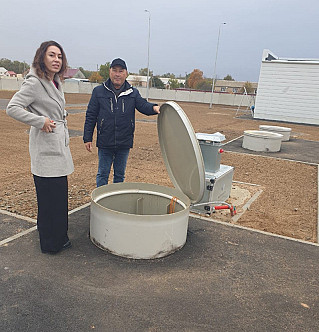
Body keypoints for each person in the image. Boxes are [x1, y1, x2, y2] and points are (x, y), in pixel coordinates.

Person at [6, 41, 74, 254]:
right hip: (45, 148)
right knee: (48, 200)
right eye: (52, 55)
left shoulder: (55, 81)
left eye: (59, 56)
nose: (56, 60)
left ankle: (60, 237)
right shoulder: (34, 82)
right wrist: (39, 121)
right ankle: (50, 243)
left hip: (58, 146)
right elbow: (12, 108)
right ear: (42, 57)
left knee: (60, 196)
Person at [83, 58, 160, 187]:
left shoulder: (133, 93)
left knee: (119, 176)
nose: (117, 74)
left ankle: (116, 202)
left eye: (121, 71)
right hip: (105, 141)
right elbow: (91, 115)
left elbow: (143, 105)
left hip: (124, 142)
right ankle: (100, 203)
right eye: (115, 70)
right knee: (102, 174)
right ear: (110, 72)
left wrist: (155, 108)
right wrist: (87, 137)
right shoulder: (99, 92)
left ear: (126, 73)